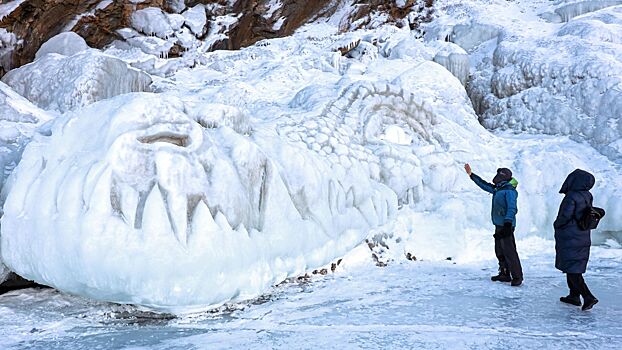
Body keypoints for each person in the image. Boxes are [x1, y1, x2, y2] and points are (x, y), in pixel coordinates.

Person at [464, 163, 523, 286]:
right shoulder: (498, 189)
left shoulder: (509, 191)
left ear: (504, 177)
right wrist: (471, 175)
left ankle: (517, 276)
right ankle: (504, 273)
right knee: (499, 250)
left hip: (506, 225)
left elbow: (512, 208)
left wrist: (508, 223)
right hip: (499, 224)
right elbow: (484, 185)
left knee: (509, 251)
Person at [554, 169, 599, 310]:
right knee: (572, 266)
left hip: (570, 236)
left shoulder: (571, 196)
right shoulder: (587, 195)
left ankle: (588, 297)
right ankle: (573, 296)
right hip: (582, 235)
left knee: (573, 271)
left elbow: (565, 216)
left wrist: (557, 224)